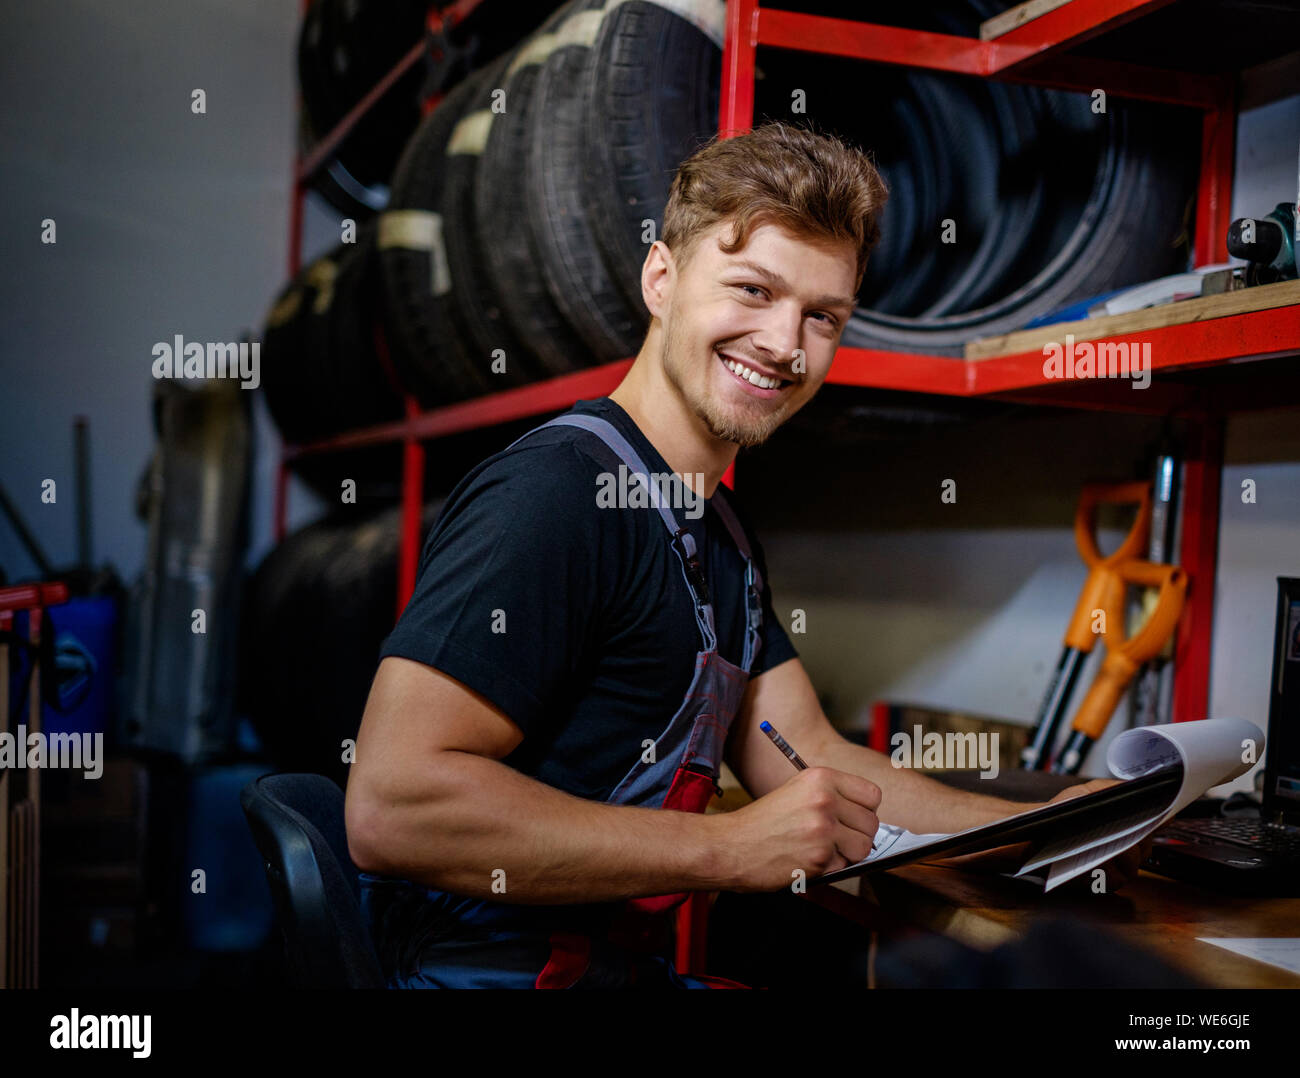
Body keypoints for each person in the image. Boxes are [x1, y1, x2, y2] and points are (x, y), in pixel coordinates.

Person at [344, 121, 1148, 989]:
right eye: (753, 290)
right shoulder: (557, 497)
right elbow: (393, 807)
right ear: (662, 278)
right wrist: (723, 847)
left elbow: (804, 749)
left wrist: (1037, 830)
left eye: (822, 317)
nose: (783, 344)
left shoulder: (716, 529)